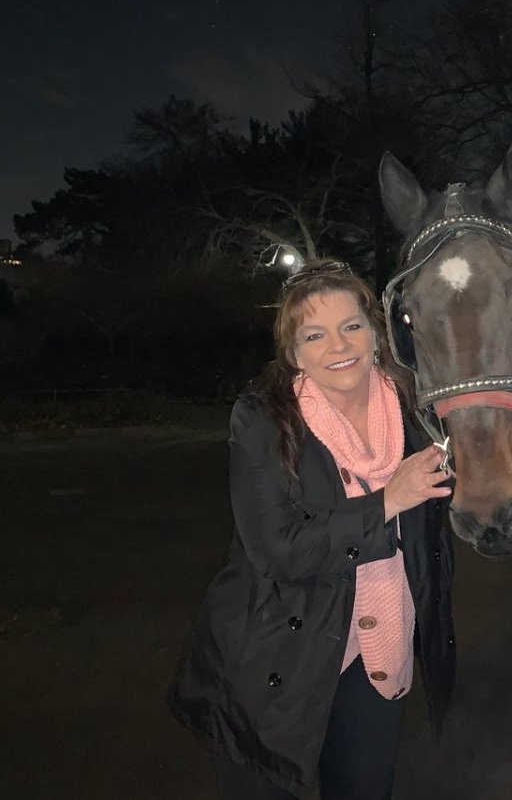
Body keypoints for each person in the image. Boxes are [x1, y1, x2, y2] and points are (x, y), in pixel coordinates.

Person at [168, 259, 455, 800]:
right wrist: (387, 502)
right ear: (295, 353)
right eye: (314, 335)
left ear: (376, 335)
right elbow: (276, 551)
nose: (338, 345)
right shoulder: (264, 419)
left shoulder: (416, 411)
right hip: (277, 654)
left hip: (378, 652)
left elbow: (445, 509)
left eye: (351, 326)